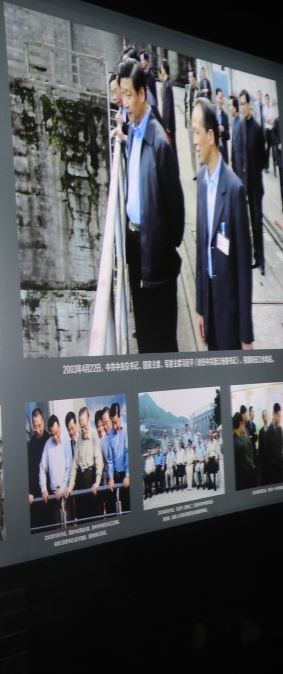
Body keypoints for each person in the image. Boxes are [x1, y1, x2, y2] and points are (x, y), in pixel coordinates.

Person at [117, 60, 183, 352]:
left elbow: (176, 211)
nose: (124, 102)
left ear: (142, 94)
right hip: (135, 245)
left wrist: (160, 245)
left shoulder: (160, 143)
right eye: (121, 94)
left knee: (163, 338)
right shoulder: (133, 133)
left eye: (128, 95)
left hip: (155, 252)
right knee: (143, 330)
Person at [192, 99, 255, 351]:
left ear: (210, 136)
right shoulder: (201, 181)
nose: (194, 141)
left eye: (197, 133)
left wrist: (246, 335)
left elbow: (243, 268)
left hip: (230, 317)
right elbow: (201, 252)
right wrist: (200, 308)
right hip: (209, 309)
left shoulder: (235, 189)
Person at [232, 91, 267, 275]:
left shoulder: (257, 129)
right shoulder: (239, 127)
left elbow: (263, 159)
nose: (243, 106)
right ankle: (251, 255)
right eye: (241, 103)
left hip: (255, 185)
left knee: (257, 222)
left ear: (250, 105)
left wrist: (254, 171)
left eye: (245, 103)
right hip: (243, 183)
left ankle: (260, 259)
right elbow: (236, 153)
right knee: (246, 223)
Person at [38, 414, 72, 528]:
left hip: (66, 494)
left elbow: (69, 468)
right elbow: (42, 468)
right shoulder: (48, 444)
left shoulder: (67, 441)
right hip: (53, 496)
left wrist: (61, 489)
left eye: (56, 433)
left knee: (69, 528)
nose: (55, 437)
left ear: (60, 427)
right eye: (52, 434)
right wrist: (43, 489)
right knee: (58, 530)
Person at [70, 407, 103, 520]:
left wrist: (97, 482)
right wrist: (70, 487)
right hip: (81, 481)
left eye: (85, 426)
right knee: (82, 518)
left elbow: (99, 460)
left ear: (89, 420)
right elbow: (74, 465)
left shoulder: (94, 434)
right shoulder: (79, 438)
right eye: (81, 426)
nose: (83, 430)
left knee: (94, 516)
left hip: (91, 479)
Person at [26, 407, 47, 529]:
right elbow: (30, 471)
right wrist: (30, 492)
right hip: (36, 494)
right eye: (35, 426)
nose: (38, 429)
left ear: (43, 422)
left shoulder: (49, 439)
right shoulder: (31, 444)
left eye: (40, 426)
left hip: (48, 492)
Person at [234, 410, 256, 490]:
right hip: (246, 466)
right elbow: (243, 451)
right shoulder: (239, 434)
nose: (247, 416)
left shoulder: (247, 430)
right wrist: (251, 464)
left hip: (251, 464)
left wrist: (253, 462)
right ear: (243, 416)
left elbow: (250, 448)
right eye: (246, 414)